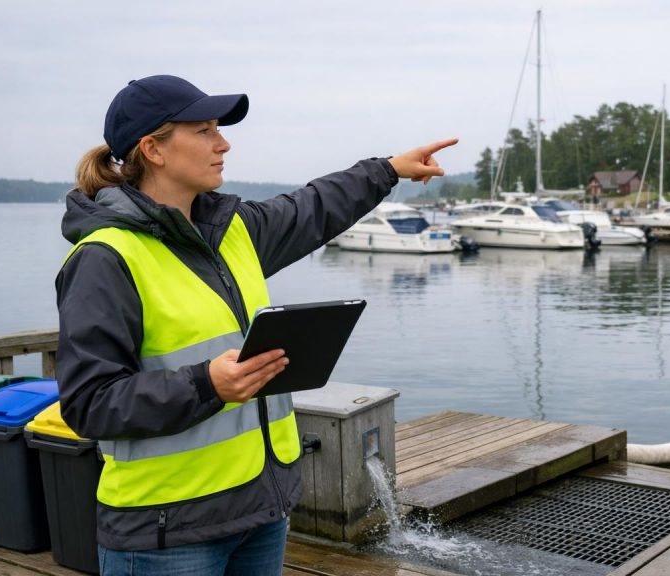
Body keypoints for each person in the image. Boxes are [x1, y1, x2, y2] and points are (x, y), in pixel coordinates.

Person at [55, 74, 456, 576]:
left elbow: (314, 206)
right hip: (166, 533)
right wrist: (207, 384)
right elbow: (89, 404)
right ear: (153, 149)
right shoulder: (104, 258)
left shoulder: (235, 230)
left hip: (261, 513)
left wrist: (389, 169)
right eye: (203, 131)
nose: (223, 143)